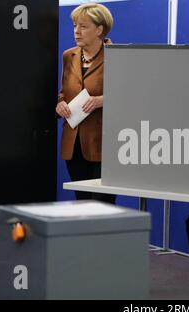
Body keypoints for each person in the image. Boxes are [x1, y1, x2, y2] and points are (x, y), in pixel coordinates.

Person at [56, 3, 116, 203]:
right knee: (81, 203)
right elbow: (65, 92)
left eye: (83, 26)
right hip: (74, 143)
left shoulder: (118, 56)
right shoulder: (69, 56)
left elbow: (131, 97)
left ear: (99, 29)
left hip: (104, 144)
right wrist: (60, 103)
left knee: (102, 205)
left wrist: (102, 100)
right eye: (74, 26)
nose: (76, 31)